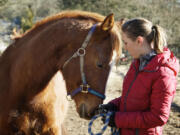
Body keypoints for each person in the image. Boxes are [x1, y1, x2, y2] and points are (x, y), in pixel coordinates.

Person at [98, 18, 179, 135]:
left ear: (139, 41)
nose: (125, 47)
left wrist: (117, 119)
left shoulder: (163, 74)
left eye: (126, 43)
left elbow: (158, 117)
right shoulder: (136, 64)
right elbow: (133, 97)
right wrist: (113, 105)